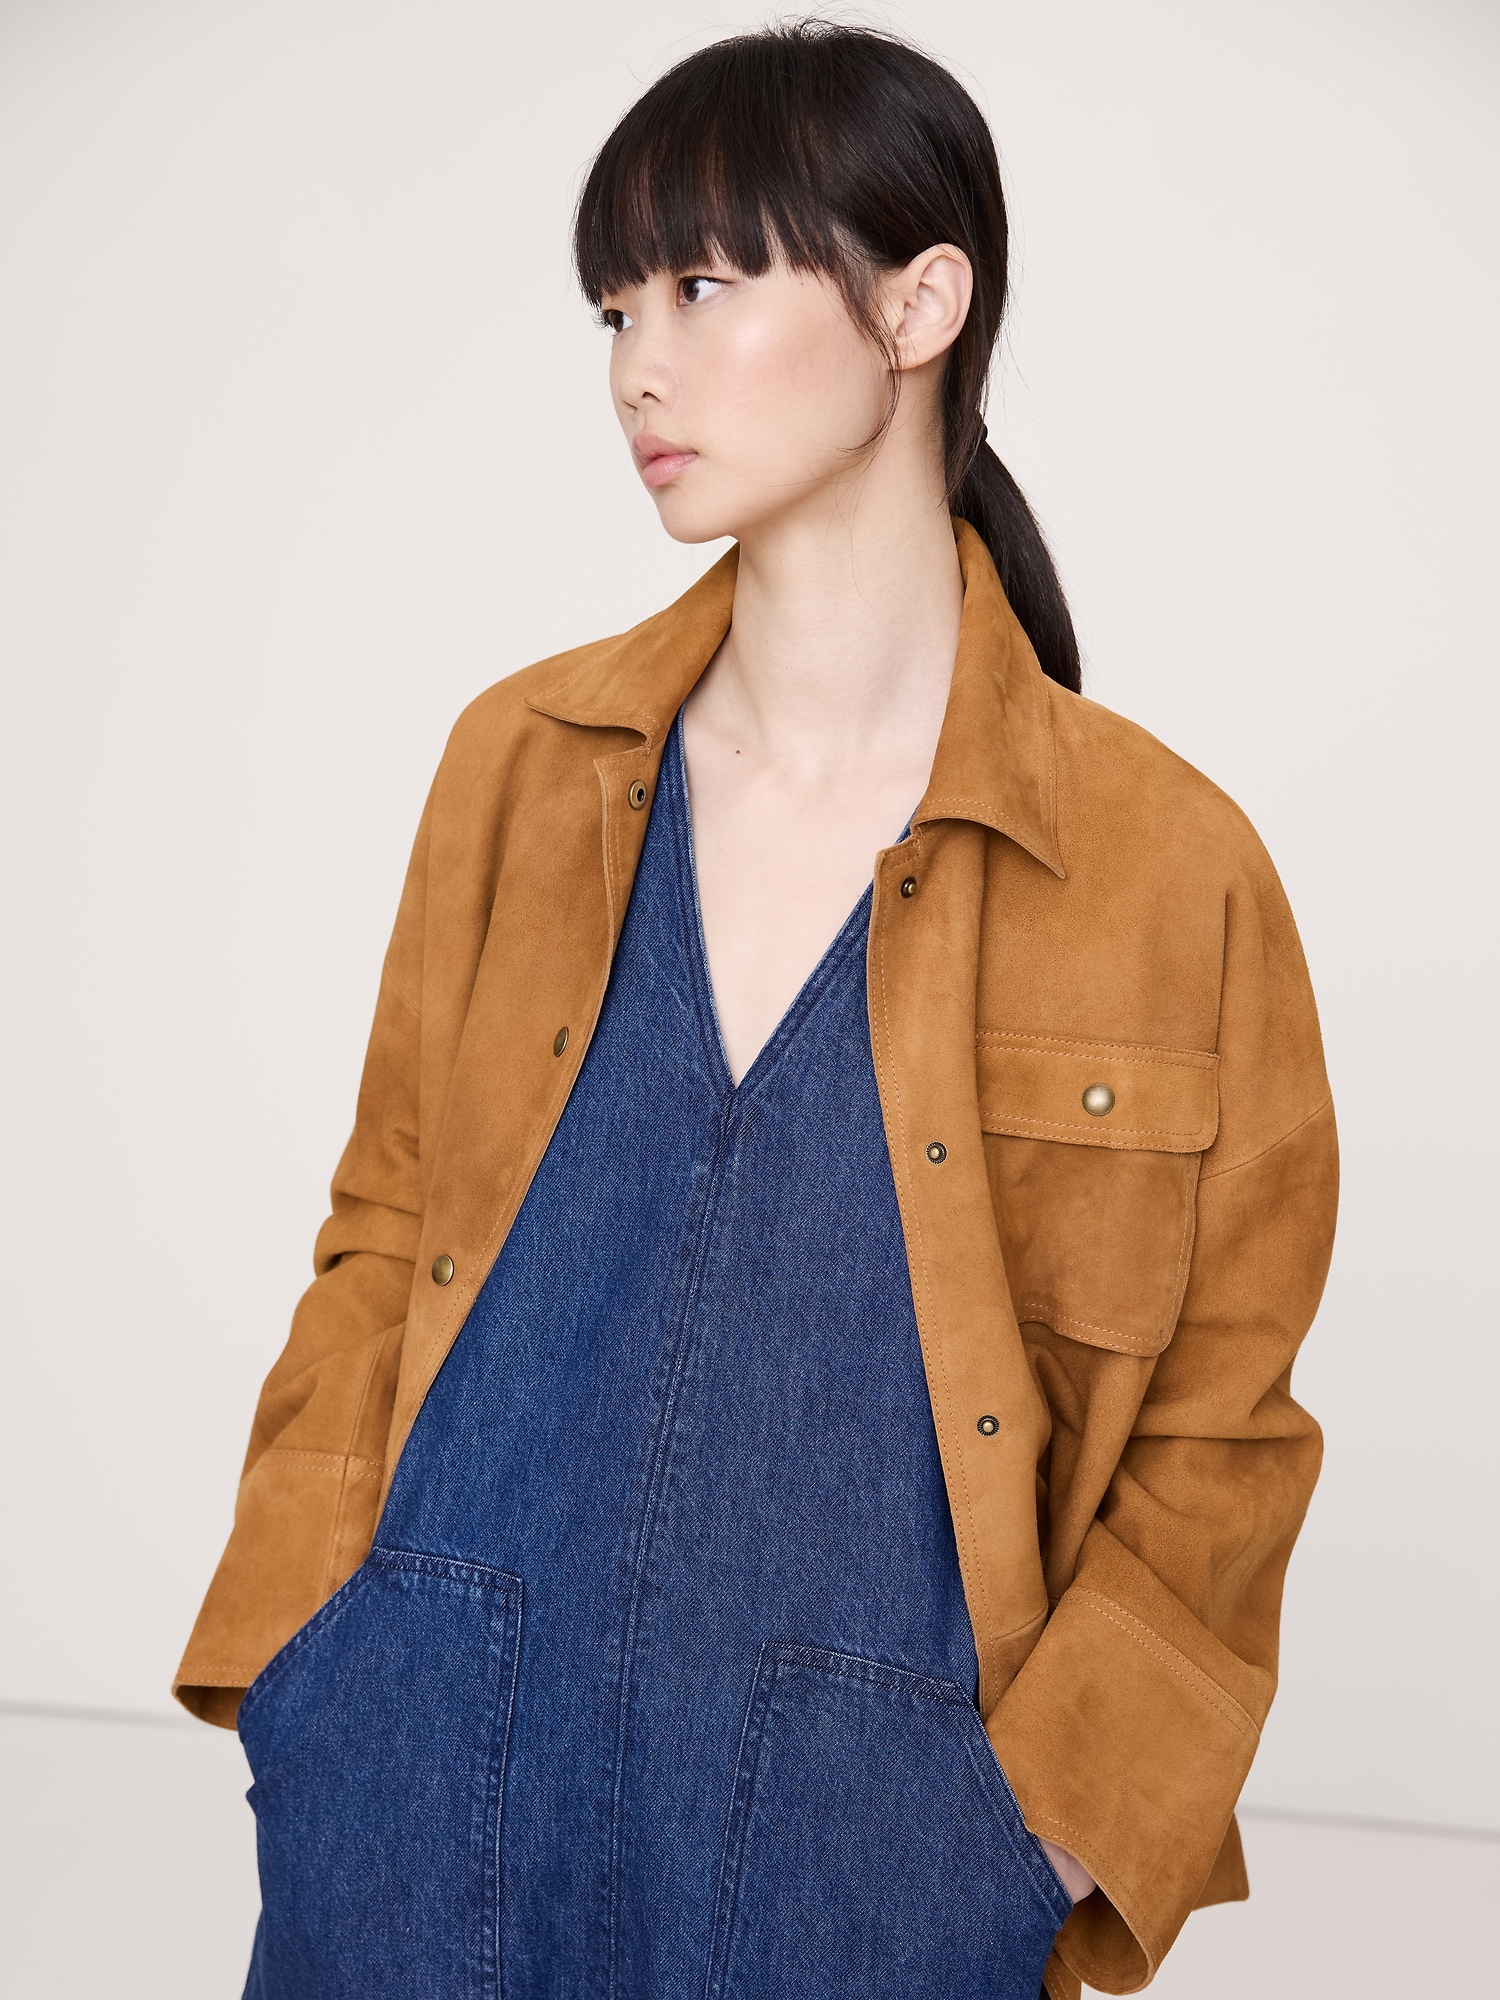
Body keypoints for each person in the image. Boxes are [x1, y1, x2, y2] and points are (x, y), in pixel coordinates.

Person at [175, 23, 1337, 2000]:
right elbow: (383, 1226)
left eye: (705, 285)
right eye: (617, 307)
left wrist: (1039, 1830)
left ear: (919, 304)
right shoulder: (523, 768)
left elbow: (1222, 1435)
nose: (639, 364)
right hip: (420, 1781)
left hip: (881, 1863)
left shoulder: (1168, 869)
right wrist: (307, 1657)